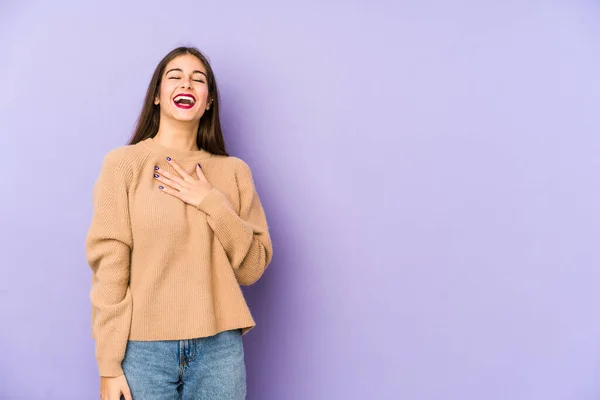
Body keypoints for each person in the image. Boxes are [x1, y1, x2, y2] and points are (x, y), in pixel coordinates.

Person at [85, 46, 273, 400]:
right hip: (143, 350)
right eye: (175, 76)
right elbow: (110, 267)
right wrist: (108, 365)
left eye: (197, 79)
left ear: (209, 101)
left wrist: (210, 201)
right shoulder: (124, 165)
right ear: (157, 96)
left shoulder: (234, 172)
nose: (186, 83)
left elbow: (253, 268)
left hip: (220, 351)